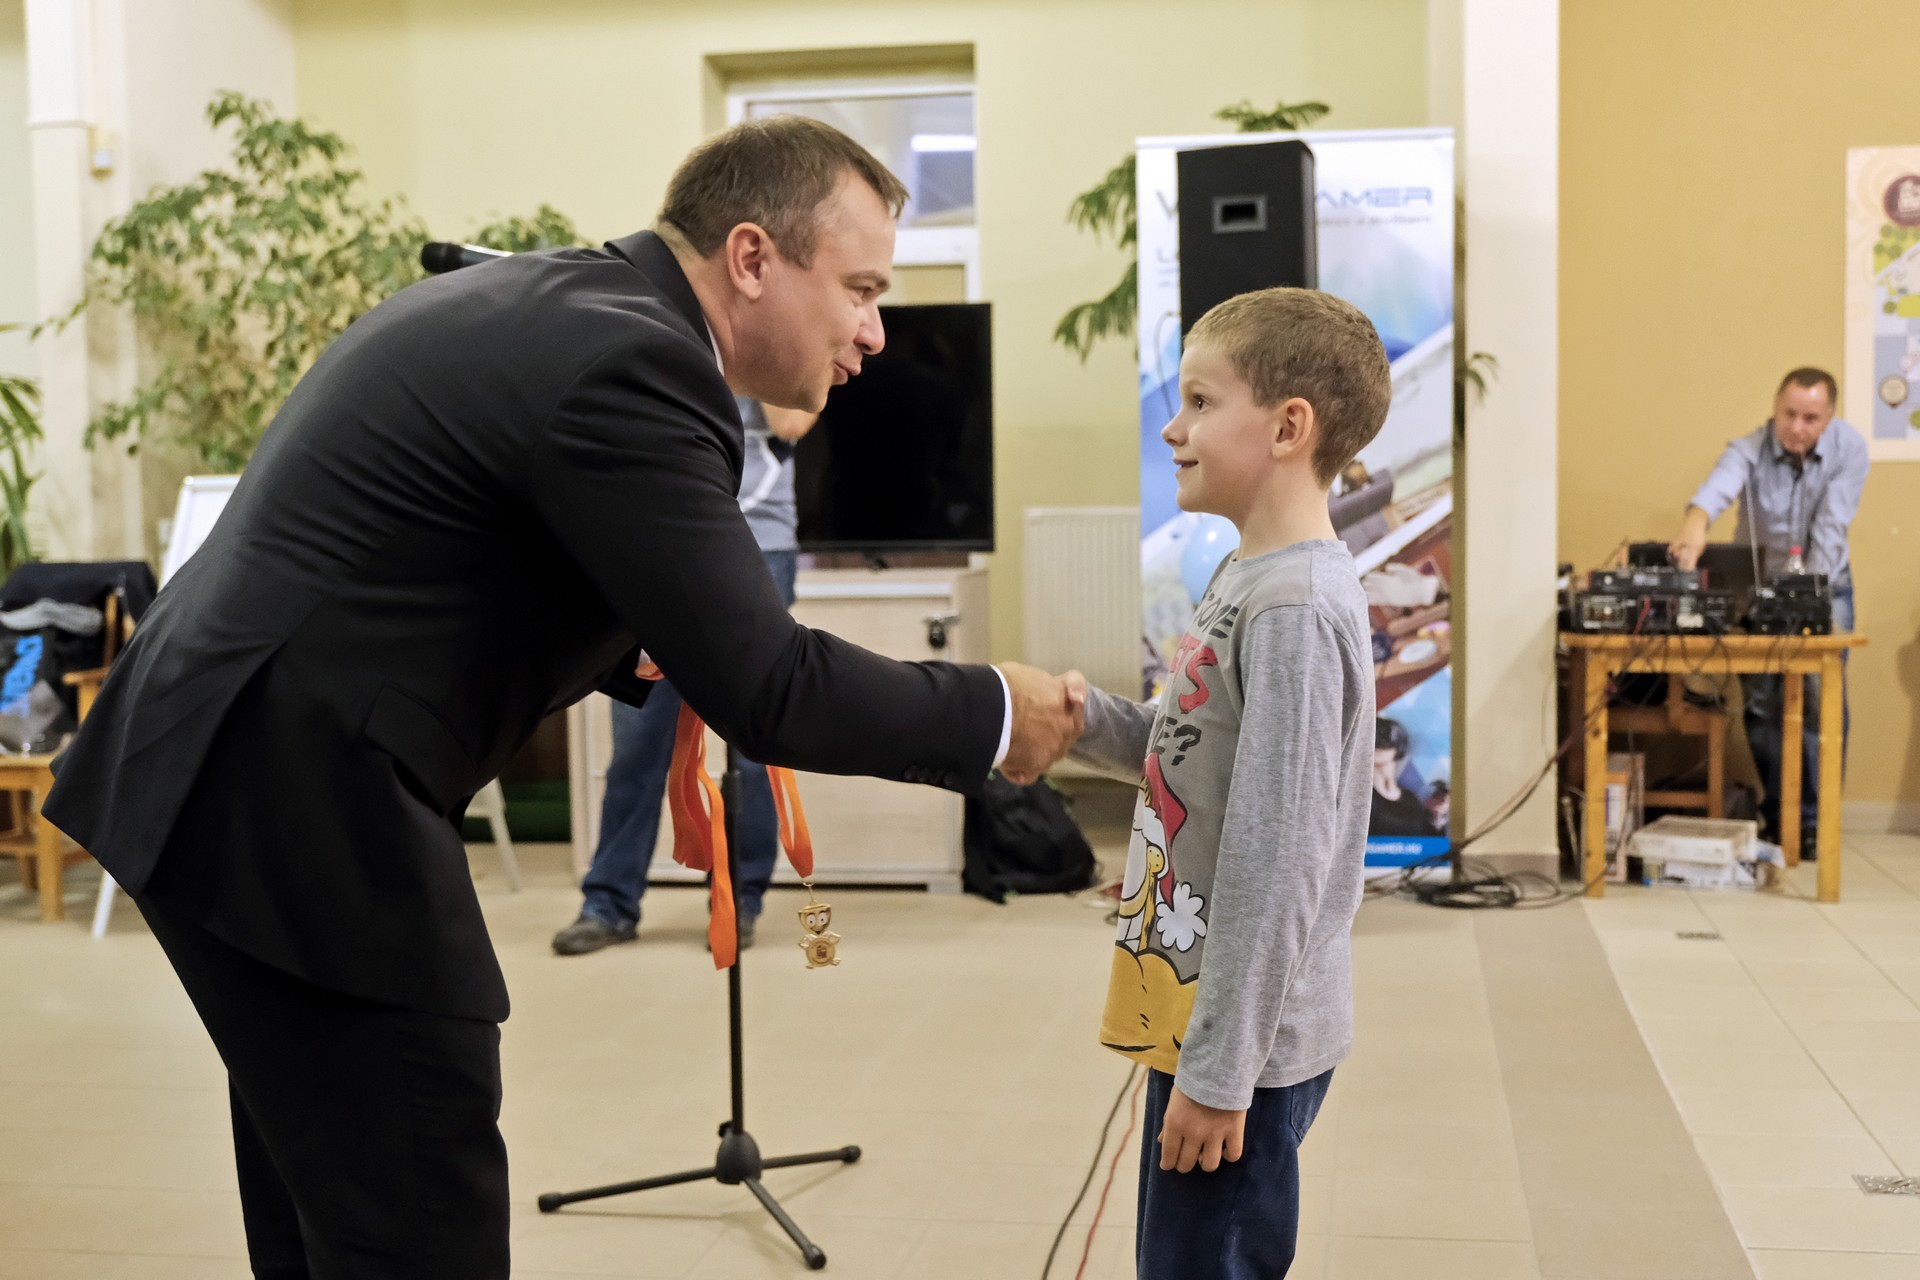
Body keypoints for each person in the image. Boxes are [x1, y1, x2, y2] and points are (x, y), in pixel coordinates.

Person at [43, 116, 1083, 1278]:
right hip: (294, 792)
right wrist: (996, 708)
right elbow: (774, 685)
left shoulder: (563, 305)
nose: (875, 332)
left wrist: (643, 646)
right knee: (414, 1206)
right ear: (751, 257)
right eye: (862, 290)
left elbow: (473, 551)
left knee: (331, 1194)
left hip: (224, 757)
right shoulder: (642, 364)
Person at [1065, 287, 1389, 1278]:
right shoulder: (1251, 575)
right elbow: (1194, 745)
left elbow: (1278, 860)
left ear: (1289, 428)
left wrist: (1219, 1074)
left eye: (1201, 402)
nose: (1173, 427)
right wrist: (1082, 721)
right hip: (1207, 1019)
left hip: (1242, 1043)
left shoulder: (1294, 606)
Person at [553, 396, 812, 956]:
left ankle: (738, 898)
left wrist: (739, 359)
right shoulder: (661, 350)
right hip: (657, 540)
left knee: (751, 744)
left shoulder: (788, 350)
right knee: (638, 740)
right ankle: (608, 903)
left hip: (756, 545)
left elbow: (791, 422)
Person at [1668, 367, 1869, 851]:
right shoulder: (1749, 448)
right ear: (1775, 409)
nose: (1797, 427)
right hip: (1757, 587)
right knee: (1761, 704)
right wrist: (1695, 523)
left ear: (1829, 418)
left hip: (1824, 583)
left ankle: (1816, 822)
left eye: (1810, 419)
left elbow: (1831, 527)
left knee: (1819, 700)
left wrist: (1804, 600)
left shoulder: (1850, 450)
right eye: (1788, 414)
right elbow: (1718, 487)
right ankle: (1781, 812)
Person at [1368, 715, 1437, 836]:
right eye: (1373, 738)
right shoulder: (1361, 796)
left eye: (1385, 737)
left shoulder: (1410, 798)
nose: (1377, 746)